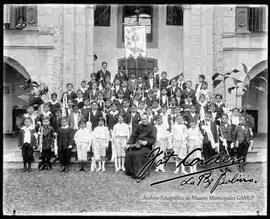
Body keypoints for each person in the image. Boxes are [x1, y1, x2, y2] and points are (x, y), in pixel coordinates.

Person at [125, 113, 157, 183]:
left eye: (145, 119)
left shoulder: (152, 128)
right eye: (142, 119)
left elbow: (153, 139)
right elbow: (133, 136)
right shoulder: (138, 127)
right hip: (137, 145)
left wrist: (146, 142)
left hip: (146, 147)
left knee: (138, 154)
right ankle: (131, 172)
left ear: (147, 119)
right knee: (130, 152)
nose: (143, 121)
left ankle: (140, 174)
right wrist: (128, 144)